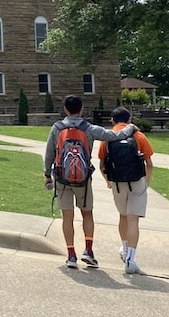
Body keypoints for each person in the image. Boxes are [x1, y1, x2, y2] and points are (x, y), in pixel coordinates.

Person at [43, 95, 135, 269]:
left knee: (67, 217)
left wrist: (48, 174)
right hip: (83, 180)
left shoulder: (57, 128)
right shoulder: (89, 128)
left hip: (62, 178)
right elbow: (114, 135)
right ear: (82, 109)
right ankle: (89, 251)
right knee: (87, 214)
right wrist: (130, 128)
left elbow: (49, 154)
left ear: (65, 109)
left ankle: (71, 254)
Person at [98, 106, 154, 274]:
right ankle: (131, 258)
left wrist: (108, 181)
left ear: (112, 121)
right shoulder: (138, 136)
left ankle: (123, 247)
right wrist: (147, 182)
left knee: (122, 216)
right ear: (129, 120)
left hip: (117, 182)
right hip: (137, 181)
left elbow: (101, 165)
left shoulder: (107, 138)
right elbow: (149, 164)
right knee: (133, 220)